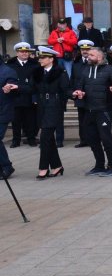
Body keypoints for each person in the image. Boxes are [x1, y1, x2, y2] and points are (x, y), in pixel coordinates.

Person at [73, 46, 112, 176]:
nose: (88, 57)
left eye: (91, 55)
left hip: (103, 110)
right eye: (88, 55)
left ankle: (111, 166)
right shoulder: (85, 70)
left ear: (99, 57)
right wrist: (79, 92)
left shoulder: (110, 69)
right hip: (88, 110)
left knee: (106, 139)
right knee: (92, 139)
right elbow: (79, 86)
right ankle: (99, 165)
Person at [32, 46, 70, 179]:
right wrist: (16, 86)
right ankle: (57, 166)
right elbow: (31, 87)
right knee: (49, 139)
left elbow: (66, 89)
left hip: (54, 106)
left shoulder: (60, 72)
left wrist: (75, 94)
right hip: (42, 106)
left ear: (51, 59)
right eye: (39, 57)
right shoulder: (38, 72)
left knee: (44, 137)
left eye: (43, 58)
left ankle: (43, 168)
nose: (40, 60)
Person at [8, 42, 39, 148]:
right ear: (17, 53)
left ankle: (31, 139)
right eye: (22, 51)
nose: (25, 53)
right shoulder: (11, 65)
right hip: (15, 97)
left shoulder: (35, 65)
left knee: (30, 120)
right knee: (15, 121)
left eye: (26, 51)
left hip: (29, 97)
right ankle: (15, 140)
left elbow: (36, 82)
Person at [71, 40, 94, 148]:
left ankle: (94, 139)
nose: (85, 51)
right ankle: (83, 140)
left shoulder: (94, 62)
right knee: (82, 119)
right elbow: (73, 79)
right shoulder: (76, 63)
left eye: (87, 49)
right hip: (80, 95)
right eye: (83, 49)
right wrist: (73, 92)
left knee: (93, 118)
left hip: (92, 95)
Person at [0, 60, 19, 178]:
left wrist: (9, 88)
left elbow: (13, 86)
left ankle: (7, 167)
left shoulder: (7, 71)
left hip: (3, 111)